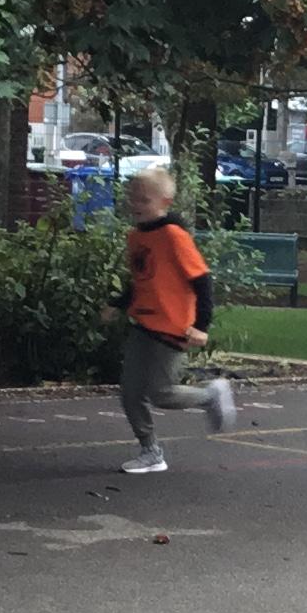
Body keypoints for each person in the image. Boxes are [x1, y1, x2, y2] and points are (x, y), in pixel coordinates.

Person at [107, 171, 237, 472]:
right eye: (133, 198)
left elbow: (202, 281)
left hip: (173, 328)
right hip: (144, 324)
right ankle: (151, 452)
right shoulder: (136, 236)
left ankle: (210, 395)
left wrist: (201, 326)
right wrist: (118, 304)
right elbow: (142, 281)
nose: (136, 204)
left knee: (161, 393)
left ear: (164, 202)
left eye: (144, 200)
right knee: (130, 393)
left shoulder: (174, 237)